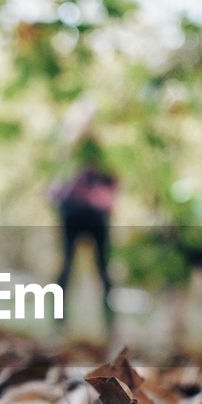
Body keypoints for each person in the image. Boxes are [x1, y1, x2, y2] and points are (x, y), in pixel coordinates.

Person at [51, 132, 118, 325]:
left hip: (95, 219)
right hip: (74, 217)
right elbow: (54, 193)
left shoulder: (104, 172)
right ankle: (59, 319)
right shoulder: (68, 168)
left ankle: (109, 320)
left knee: (103, 269)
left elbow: (113, 192)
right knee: (67, 268)